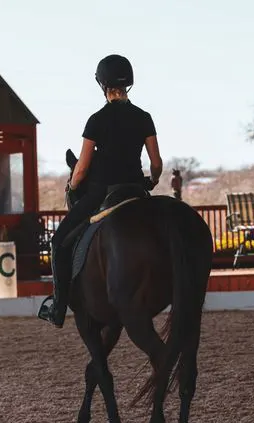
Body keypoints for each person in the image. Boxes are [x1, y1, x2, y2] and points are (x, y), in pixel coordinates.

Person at [38, 54, 164, 328]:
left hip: (102, 192)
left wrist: (72, 186)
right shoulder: (144, 117)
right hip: (135, 189)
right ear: (129, 83)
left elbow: (81, 169)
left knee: (58, 242)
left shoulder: (96, 119)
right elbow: (156, 163)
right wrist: (151, 182)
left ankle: (58, 307)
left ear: (102, 84)